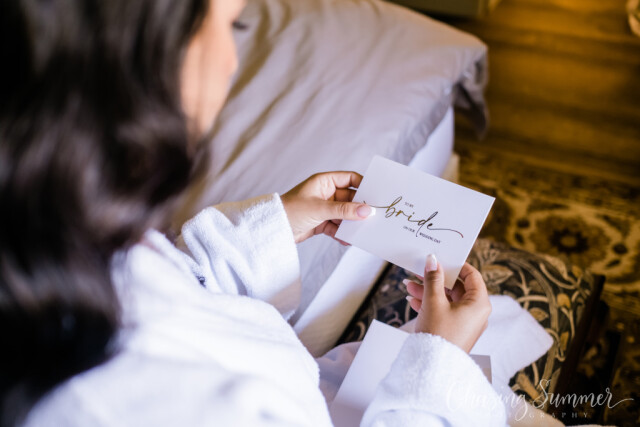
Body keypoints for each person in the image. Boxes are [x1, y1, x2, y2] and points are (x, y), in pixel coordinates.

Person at [0, 0, 506, 425]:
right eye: (231, 25)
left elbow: (179, 288)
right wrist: (439, 368)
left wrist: (274, 227)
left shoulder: (54, 231)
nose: (232, 61)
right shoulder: (121, 402)